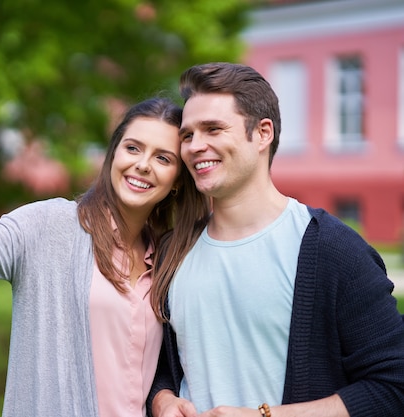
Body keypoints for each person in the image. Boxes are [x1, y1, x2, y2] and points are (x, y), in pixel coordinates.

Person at [0, 77, 209, 417]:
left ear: (178, 179)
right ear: (113, 153)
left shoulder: (168, 258)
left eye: (163, 158)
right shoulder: (46, 226)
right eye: (132, 148)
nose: (143, 164)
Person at [147, 62, 404, 417]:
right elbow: (158, 366)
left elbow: (393, 386)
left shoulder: (332, 250)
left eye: (213, 129)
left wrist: (265, 416)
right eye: (188, 135)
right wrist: (163, 399)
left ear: (263, 133)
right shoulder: (172, 253)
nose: (194, 146)